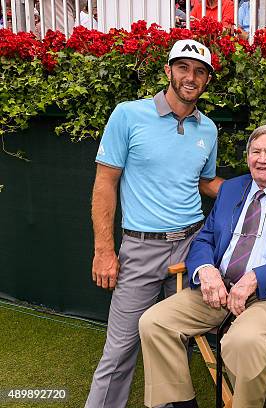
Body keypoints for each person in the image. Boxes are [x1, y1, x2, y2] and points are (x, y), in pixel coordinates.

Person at [138, 125, 266, 408]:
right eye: (256, 151)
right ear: (248, 156)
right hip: (218, 290)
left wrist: (256, 277)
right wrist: (205, 270)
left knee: (243, 342)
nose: (262, 158)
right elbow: (205, 238)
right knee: (154, 323)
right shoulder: (231, 189)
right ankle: (181, 404)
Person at [86, 39, 223, 408]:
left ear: (207, 80)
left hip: (193, 246)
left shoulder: (208, 129)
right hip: (142, 248)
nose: (190, 77)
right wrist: (103, 250)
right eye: (183, 68)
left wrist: (257, 185)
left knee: (175, 341)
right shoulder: (128, 115)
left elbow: (205, 182)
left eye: (199, 71)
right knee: (119, 350)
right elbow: (105, 182)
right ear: (168, 71)